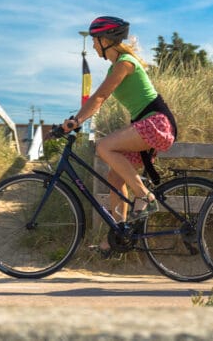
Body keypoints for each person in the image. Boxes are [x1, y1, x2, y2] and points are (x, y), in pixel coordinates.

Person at [62, 16, 177, 257]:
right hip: (146, 123)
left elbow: (100, 97)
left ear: (106, 40)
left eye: (95, 40)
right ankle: (117, 236)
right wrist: (77, 119)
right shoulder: (116, 66)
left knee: (104, 147)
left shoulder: (125, 63)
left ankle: (145, 196)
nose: (93, 45)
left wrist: (77, 120)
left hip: (157, 122)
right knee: (114, 177)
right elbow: (97, 98)